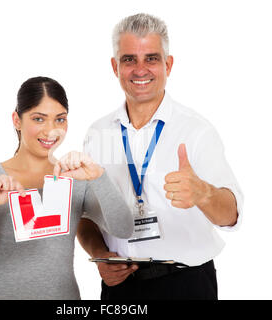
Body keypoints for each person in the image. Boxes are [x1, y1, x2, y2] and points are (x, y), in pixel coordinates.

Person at [77, 13, 244, 300]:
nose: (140, 69)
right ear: (115, 66)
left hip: (185, 284)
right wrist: (100, 255)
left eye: (151, 58)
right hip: (120, 286)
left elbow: (231, 216)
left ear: (168, 64)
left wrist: (203, 193)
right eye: (129, 59)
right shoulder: (99, 133)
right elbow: (85, 215)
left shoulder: (196, 131)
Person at [0, 76, 133, 300]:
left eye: (60, 119)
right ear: (17, 120)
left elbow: (124, 229)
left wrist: (99, 177)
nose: (51, 131)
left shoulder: (76, 178)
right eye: (39, 119)